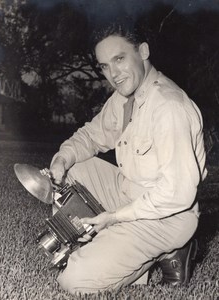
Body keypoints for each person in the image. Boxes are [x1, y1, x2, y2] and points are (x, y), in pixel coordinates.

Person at [49, 23, 207, 294]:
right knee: (75, 166)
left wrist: (114, 218)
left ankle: (169, 251)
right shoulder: (125, 98)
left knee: (73, 280)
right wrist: (62, 159)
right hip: (129, 192)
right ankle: (99, 242)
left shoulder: (169, 107)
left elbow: (176, 193)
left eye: (119, 59)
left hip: (166, 216)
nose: (113, 74)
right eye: (104, 66)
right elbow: (92, 135)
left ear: (143, 51)